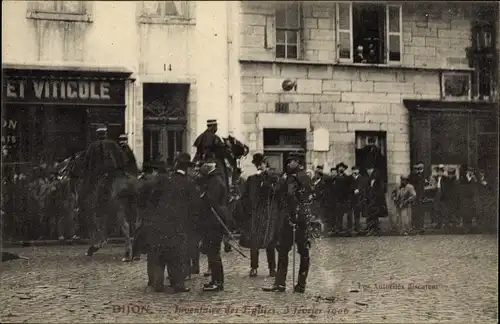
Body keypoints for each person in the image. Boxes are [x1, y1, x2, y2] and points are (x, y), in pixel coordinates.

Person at [143, 152, 198, 293]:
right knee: (178, 254)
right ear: (187, 168)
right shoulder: (189, 183)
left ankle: (157, 283)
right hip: (179, 224)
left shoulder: (166, 180)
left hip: (161, 221)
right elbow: (195, 206)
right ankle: (178, 284)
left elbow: (153, 199)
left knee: (161, 252)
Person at [262, 153, 312, 293]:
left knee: (303, 251)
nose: (288, 164)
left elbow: (304, 199)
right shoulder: (286, 177)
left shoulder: (303, 177)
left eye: (291, 162)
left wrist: (297, 216)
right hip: (286, 219)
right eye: (288, 161)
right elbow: (278, 194)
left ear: (298, 162)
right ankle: (280, 283)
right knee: (282, 250)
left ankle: (301, 284)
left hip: (299, 220)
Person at [79, 126, 127, 256]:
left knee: (87, 200)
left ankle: (82, 211)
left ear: (97, 134)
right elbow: (123, 160)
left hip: (98, 178)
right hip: (114, 176)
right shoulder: (113, 144)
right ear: (105, 134)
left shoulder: (92, 146)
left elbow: (87, 165)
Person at [238, 153, 280, 278]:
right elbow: (245, 197)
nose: (260, 166)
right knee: (254, 242)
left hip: (268, 214)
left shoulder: (272, 177)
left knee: (270, 242)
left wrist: (265, 180)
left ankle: (272, 268)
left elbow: (275, 192)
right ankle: (254, 267)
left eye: (262, 164)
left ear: (265, 165)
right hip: (256, 214)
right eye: (258, 164)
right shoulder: (252, 180)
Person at [198, 161, 228, 292]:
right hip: (212, 221)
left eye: (204, 164)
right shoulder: (212, 179)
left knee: (214, 252)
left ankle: (217, 282)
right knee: (212, 252)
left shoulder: (215, 180)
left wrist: (203, 195)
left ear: (210, 165)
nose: (201, 167)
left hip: (215, 221)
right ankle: (215, 280)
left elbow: (212, 201)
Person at [193, 119, 228, 189]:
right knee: (224, 176)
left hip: (201, 162)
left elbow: (198, 152)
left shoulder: (200, 137)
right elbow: (222, 152)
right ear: (212, 126)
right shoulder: (215, 137)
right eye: (216, 126)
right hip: (214, 162)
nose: (216, 128)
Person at [365, 166, 387, 235]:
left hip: (376, 201)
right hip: (371, 200)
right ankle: (374, 230)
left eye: (370, 170)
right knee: (372, 216)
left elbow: (381, 191)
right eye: (367, 170)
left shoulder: (378, 181)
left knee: (374, 215)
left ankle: (375, 230)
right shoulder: (370, 180)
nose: (368, 171)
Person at [429, 164, 451, 229]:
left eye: (441, 171)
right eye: (438, 171)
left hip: (443, 194)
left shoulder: (446, 178)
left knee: (444, 209)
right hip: (437, 194)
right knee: (436, 209)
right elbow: (432, 185)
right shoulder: (435, 178)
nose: (439, 172)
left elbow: (448, 188)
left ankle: (446, 224)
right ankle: (438, 223)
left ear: (443, 171)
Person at [408, 162, 426, 233]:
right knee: (414, 210)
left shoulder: (424, 174)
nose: (419, 170)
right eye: (418, 168)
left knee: (421, 211)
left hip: (421, 195)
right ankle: (415, 225)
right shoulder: (413, 175)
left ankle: (421, 226)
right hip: (414, 195)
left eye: (421, 168)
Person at [333, 162, 350, 236]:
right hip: (336, 198)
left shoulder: (347, 178)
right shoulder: (334, 177)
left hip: (344, 198)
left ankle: (344, 229)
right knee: (337, 214)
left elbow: (348, 188)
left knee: (343, 213)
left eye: (343, 167)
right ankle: (337, 228)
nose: (341, 168)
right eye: (340, 167)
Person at [349, 166, 367, 236]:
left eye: (356, 170)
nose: (355, 171)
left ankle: (357, 228)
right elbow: (348, 186)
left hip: (359, 199)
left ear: (358, 171)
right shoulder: (350, 178)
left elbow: (363, 187)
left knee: (357, 214)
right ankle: (350, 228)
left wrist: (359, 190)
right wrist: (353, 190)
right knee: (350, 214)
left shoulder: (362, 178)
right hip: (351, 198)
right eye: (353, 170)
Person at [459, 166, 477, 232]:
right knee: (465, 212)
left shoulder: (474, 178)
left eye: (472, 171)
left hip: (471, 197)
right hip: (464, 197)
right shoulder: (462, 178)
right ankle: (465, 227)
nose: (470, 172)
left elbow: (475, 187)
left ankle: (469, 227)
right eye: (469, 171)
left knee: (470, 212)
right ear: (467, 171)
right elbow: (462, 187)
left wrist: (474, 179)